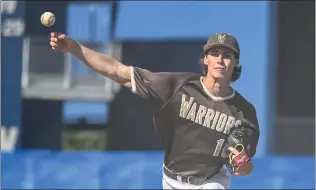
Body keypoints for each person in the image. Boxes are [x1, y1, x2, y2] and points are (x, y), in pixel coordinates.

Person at [49, 32, 260, 189]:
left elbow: (243, 170)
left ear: (236, 63)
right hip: (172, 180)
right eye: (214, 54)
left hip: (211, 180)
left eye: (227, 55)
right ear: (205, 60)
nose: (220, 60)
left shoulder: (244, 113)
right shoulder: (178, 86)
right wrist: (74, 48)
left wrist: (241, 162)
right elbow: (117, 71)